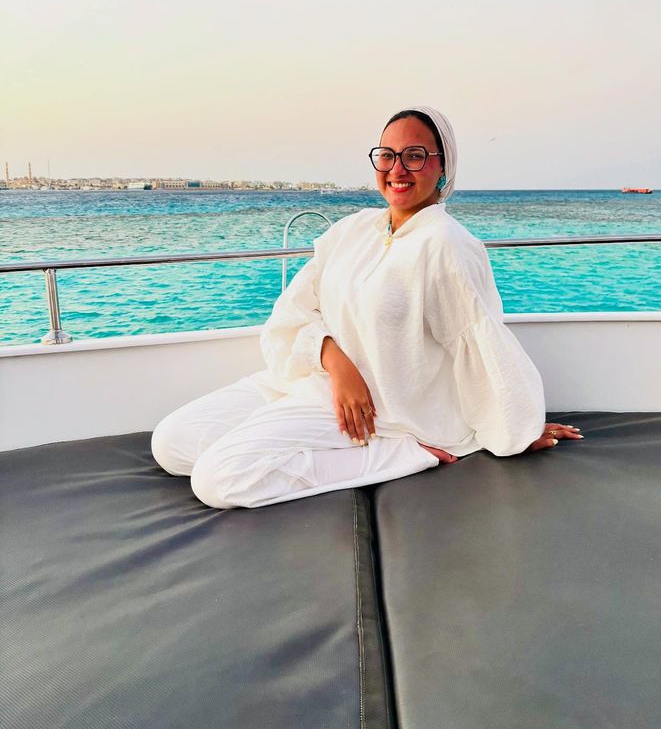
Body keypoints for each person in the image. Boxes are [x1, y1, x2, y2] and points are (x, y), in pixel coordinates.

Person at [151, 106, 583, 508]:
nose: (397, 169)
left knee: (216, 479)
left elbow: (480, 341)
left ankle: (401, 454)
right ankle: (311, 443)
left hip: (384, 412)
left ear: (443, 165)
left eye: (415, 156)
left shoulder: (447, 246)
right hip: (315, 378)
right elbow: (294, 312)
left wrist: (516, 429)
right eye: (387, 155)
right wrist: (337, 362)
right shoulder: (353, 230)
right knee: (172, 443)